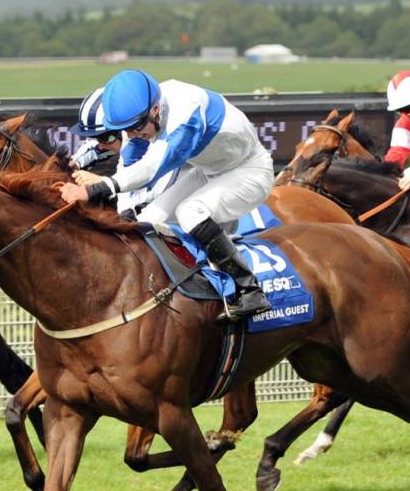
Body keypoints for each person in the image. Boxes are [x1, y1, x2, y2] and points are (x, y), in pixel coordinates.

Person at [57, 70, 272, 319]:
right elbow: (129, 165)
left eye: (135, 128)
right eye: (125, 130)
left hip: (250, 170)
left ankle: (249, 289)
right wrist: (124, 216)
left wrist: (91, 190)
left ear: (156, 110)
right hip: (209, 170)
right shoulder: (141, 116)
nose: (131, 135)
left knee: (191, 212)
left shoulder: (186, 112)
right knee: (148, 220)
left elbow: (151, 168)